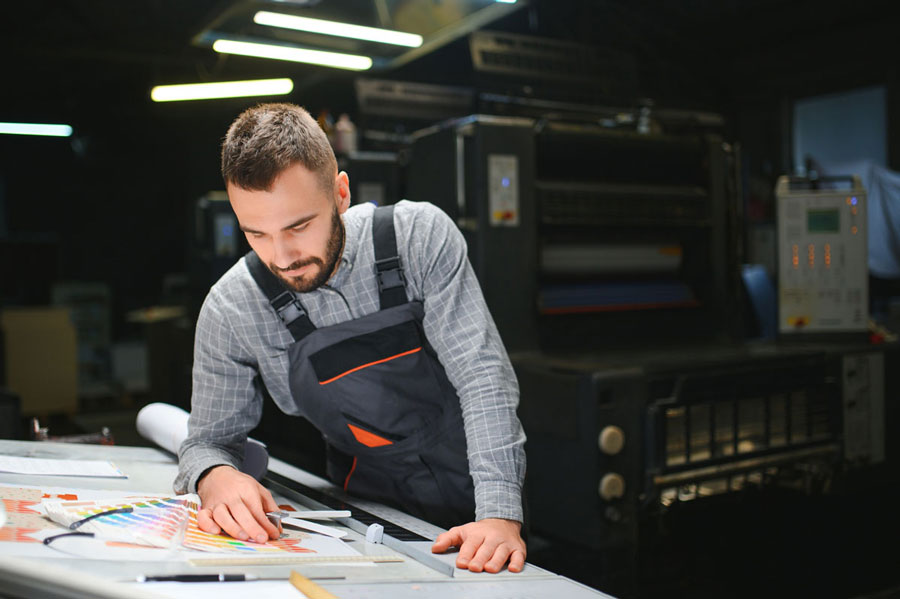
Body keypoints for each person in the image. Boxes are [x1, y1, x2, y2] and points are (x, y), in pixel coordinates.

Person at [174, 103, 527, 573]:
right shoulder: (232, 307)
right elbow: (207, 443)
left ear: (341, 193)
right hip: (367, 518)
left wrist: (500, 514)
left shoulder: (416, 238)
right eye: (255, 233)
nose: (282, 257)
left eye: (299, 226)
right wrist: (213, 476)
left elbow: (484, 377)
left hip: (480, 495)